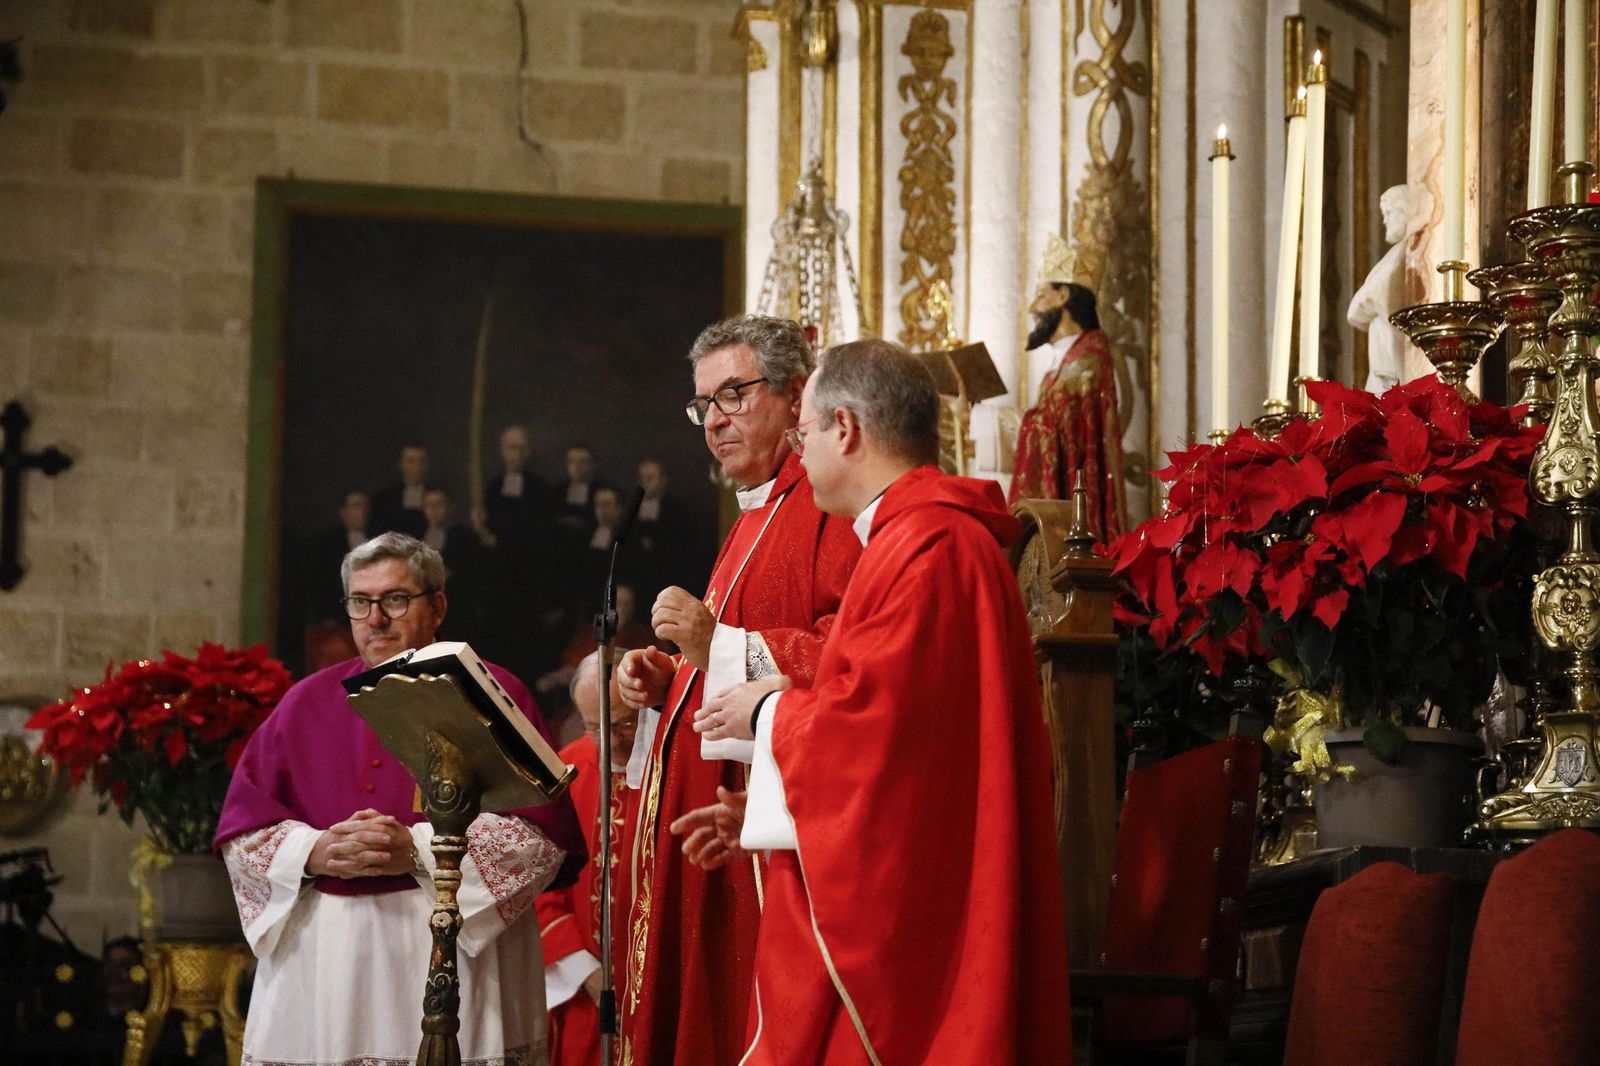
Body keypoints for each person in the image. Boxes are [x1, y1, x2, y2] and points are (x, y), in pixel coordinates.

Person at [678, 339, 1072, 1063]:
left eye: (804, 434)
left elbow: (875, 728)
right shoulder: (918, 539)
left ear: (846, 430)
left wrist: (766, 713)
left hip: (913, 925)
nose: (800, 453)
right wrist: (772, 810)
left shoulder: (928, 546)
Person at [215, 532, 586, 1066]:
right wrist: (315, 851)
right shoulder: (305, 703)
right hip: (326, 964)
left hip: (448, 944)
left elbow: (538, 836)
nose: (375, 619)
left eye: (394, 599)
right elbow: (244, 832)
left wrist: (416, 849)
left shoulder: (492, 692)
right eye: (360, 603)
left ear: (437, 605)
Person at [616, 314, 862, 1065]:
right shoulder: (753, 518)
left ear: (796, 397)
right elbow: (725, 660)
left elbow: (851, 658)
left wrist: (711, 645)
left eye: (733, 396)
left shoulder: (828, 506)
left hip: (763, 828)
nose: (713, 421)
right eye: (703, 406)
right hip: (715, 822)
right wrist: (672, 680)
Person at [537, 651, 640, 1066]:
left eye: (624, 725)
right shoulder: (565, 768)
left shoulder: (676, 765)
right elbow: (541, 881)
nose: (610, 743)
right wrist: (587, 974)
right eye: (595, 727)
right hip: (581, 989)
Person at [1010, 232, 1126, 541]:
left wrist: (995, 423)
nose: (1033, 308)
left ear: (1063, 296)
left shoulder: (1088, 360)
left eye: (1040, 295)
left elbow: (1056, 425)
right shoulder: (1063, 364)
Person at [1348, 184, 1412, 393]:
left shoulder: (1406, 251)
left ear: (1405, 211)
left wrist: (1367, 300)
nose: (1385, 220)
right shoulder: (1395, 254)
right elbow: (1355, 310)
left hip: (1392, 356)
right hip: (1383, 355)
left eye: (1389, 213)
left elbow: (1383, 296)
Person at [369, 444, 433, 539]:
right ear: (401, 464)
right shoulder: (385, 498)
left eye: (421, 461)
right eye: (411, 461)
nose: (417, 466)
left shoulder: (436, 496)